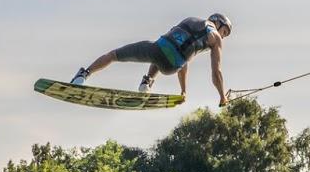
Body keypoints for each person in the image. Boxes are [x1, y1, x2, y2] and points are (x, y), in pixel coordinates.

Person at [70, 13, 233, 105]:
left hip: (157, 50)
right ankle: (146, 84)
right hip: (172, 66)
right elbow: (216, 72)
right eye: (224, 32)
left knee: (114, 55)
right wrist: (221, 96)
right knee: (179, 56)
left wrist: (183, 90)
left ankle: (83, 75)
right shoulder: (215, 38)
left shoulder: (189, 19)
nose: (223, 37)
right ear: (218, 23)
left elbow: (169, 43)